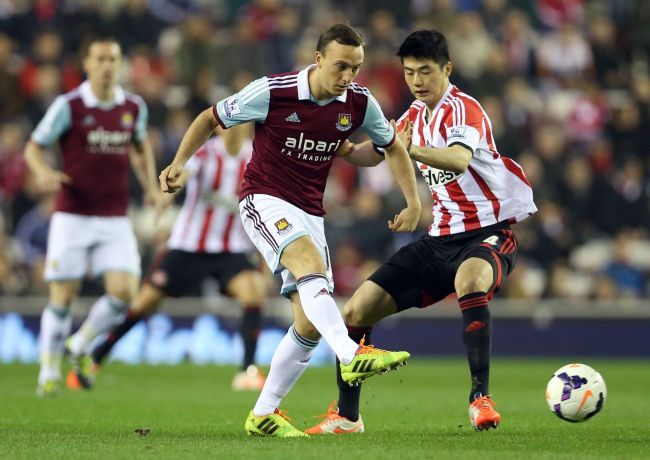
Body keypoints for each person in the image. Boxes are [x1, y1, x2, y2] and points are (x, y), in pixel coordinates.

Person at [159, 24, 421, 437]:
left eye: (355, 68)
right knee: (308, 262)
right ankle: (352, 352)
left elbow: (370, 152)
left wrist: (413, 202)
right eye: (340, 66)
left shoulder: (358, 103)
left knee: (309, 324)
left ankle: (264, 414)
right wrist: (179, 164)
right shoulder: (272, 91)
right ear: (317, 60)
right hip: (262, 198)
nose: (348, 77)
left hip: (310, 213)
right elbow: (209, 118)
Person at [305, 29, 537, 434]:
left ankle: (479, 399)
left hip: (489, 230)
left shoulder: (466, 110)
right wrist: (338, 144)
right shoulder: (412, 116)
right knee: (357, 310)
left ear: (446, 69)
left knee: (471, 279)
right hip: (439, 239)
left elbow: (458, 160)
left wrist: (406, 148)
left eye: (425, 71)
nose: (417, 81)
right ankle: (347, 417)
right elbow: (372, 154)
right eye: (409, 72)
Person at [84, 124, 269, 391]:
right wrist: (166, 197)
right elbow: (182, 176)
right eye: (229, 123)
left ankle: (247, 370)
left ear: (248, 127)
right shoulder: (205, 154)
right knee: (146, 302)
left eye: (241, 123)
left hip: (231, 248)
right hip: (188, 246)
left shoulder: (256, 158)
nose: (234, 129)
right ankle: (98, 354)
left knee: (254, 291)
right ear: (219, 128)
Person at [24, 36, 161, 397]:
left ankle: (81, 343)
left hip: (114, 215)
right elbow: (34, 147)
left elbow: (140, 145)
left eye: (113, 59)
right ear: (85, 64)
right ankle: (49, 372)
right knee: (63, 295)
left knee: (125, 290)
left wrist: (150, 185)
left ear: (120, 65)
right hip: (73, 214)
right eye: (100, 59)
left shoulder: (133, 106)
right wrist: (42, 172)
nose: (107, 66)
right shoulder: (68, 105)